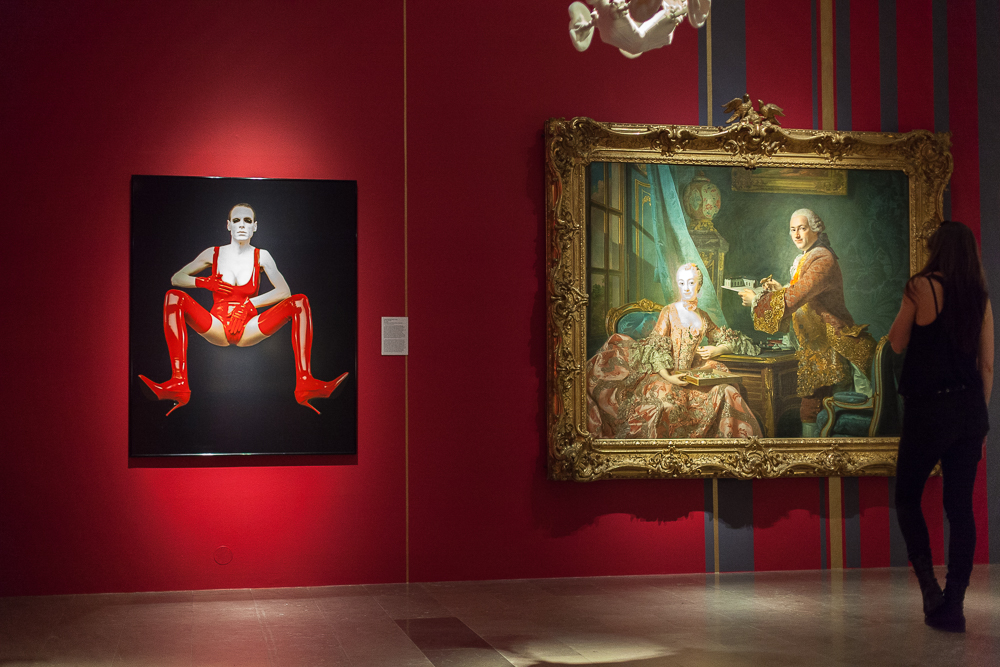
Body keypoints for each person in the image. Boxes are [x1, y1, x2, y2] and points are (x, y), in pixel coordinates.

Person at [138, 203, 349, 415]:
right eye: (236, 220)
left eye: (247, 221)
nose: (241, 225)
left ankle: (305, 383)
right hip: (217, 324)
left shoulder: (262, 256)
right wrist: (203, 282)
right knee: (173, 297)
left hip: (249, 325)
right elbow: (177, 278)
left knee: (299, 302)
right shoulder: (214, 253)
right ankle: (178, 383)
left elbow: (284, 291)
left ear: (254, 227)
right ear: (228, 225)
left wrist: (249, 304)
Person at [887, 220, 993, 633]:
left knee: (907, 497)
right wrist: (979, 417)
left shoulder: (920, 287)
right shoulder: (979, 297)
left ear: (937, 250)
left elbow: (897, 341)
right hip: (969, 411)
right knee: (960, 509)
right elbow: (987, 364)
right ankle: (955, 604)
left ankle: (930, 588)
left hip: (928, 410)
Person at [739, 208, 875, 437]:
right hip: (817, 346)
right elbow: (803, 296)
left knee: (819, 407)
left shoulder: (822, 259)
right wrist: (781, 289)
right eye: (792, 229)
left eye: (802, 228)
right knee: (811, 407)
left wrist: (757, 300)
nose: (796, 234)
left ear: (816, 229)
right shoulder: (807, 258)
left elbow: (796, 298)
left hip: (834, 345)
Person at [587, 263, 762, 439]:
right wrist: (670, 378)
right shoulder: (669, 311)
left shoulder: (703, 316)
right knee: (665, 407)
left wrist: (716, 349)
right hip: (666, 374)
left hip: (692, 374)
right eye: (682, 283)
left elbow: (729, 340)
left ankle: (731, 448)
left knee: (727, 391)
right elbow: (656, 348)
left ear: (699, 285)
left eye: (691, 283)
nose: (686, 288)